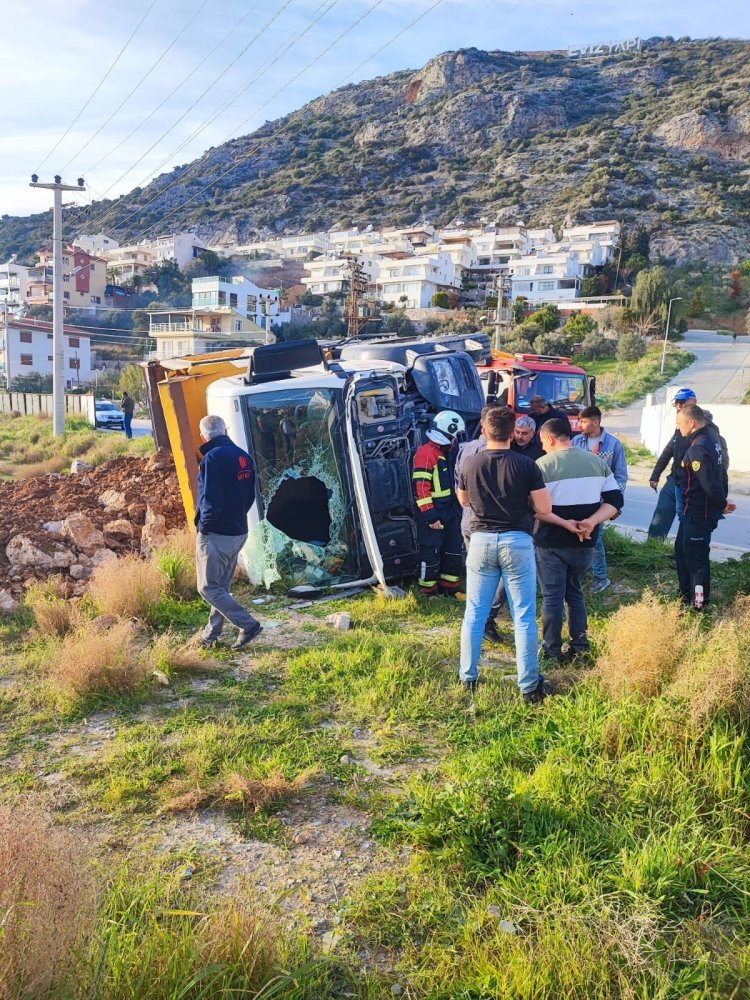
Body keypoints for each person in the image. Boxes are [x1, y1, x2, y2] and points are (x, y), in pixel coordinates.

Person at [457, 405, 552, 701]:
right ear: (513, 433)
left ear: (485, 431)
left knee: (474, 613)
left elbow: (463, 501)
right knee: (523, 616)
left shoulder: (469, 463)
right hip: (517, 541)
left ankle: (468, 677)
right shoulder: (526, 466)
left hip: (481, 540)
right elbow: (545, 508)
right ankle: (529, 686)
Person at [535, 419, 624, 662]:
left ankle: (551, 650)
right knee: (574, 593)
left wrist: (565, 523)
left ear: (551, 439)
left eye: (543, 442)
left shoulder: (541, 465)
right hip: (585, 541)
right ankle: (580, 646)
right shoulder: (597, 463)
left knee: (552, 596)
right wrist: (592, 522)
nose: (543, 447)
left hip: (550, 542)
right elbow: (615, 502)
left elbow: (534, 508)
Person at [195, 414, 263, 650]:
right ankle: (210, 635)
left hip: (217, 534)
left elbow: (210, 499)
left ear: (204, 435)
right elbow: (250, 496)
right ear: (225, 430)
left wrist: (205, 527)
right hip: (238, 530)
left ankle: (248, 624)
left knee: (207, 587)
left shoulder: (212, 458)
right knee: (220, 588)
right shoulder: (243, 456)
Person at [455, 402, 507, 644]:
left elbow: (460, 490)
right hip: (491, 524)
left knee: (476, 572)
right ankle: (486, 617)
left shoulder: (465, 449)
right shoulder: (494, 454)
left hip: (469, 521)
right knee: (503, 575)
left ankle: (475, 619)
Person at [674, 404, 735, 609]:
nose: (679, 429)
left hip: (698, 514)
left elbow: (709, 483)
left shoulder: (698, 448)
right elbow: (722, 473)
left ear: (691, 423)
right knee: (681, 551)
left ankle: (699, 605)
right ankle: (684, 597)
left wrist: (722, 503)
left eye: (680, 424)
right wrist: (722, 501)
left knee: (697, 562)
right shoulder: (711, 437)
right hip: (692, 511)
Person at [648, 389, 728, 539]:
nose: (678, 406)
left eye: (682, 402)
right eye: (676, 403)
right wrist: (655, 475)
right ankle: (652, 549)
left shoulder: (707, 432)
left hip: (690, 483)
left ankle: (683, 551)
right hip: (675, 479)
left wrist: (722, 499)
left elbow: (720, 464)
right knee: (661, 514)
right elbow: (669, 450)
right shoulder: (682, 427)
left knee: (686, 520)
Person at [572, 405, 628, 593]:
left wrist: (614, 504)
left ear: (595, 422)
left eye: (583, 421)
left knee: (596, 538)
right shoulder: (576, 441)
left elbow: (620, 476)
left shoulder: (613, 444)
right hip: (578, 498)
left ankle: (601, 577)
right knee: (579, 534)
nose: (580, 425)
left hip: (601, 501)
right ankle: (582, 572)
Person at [412, 410, 465, 597]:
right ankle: (428, 591)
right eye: (454, 436)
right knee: (430, 552)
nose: (456, 440)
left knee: (453, 549)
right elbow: (421, 488)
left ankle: (451, 589)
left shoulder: (447, 452)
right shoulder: (426, 453)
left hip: (451, 510)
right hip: (434, 512)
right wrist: (430, 516)